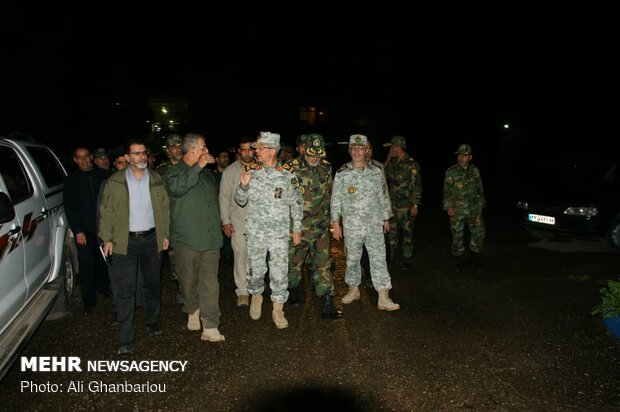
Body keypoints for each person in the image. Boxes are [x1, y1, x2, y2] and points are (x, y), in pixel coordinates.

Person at [98, 139, 170, 355]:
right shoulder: (115, 182)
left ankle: (153, 321)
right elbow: (106, 211)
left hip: (151, 240)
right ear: (127, 158)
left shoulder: (157, 180)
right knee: (125, 290)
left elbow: (165, 209)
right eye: (136, 154)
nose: (141, 157)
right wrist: (107, 238)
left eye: (144, 153)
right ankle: (126, 338)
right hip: (124, 242)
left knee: (152, 284)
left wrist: (165, 234)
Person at [234, 131, 303, 329]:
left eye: (260, 148)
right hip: (256, 232)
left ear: (272, 150)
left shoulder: (288, 176)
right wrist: (243, 186)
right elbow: (240, 200)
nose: (256, 151)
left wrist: (296, 228)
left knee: (279, 272)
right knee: (255, 270)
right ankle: (256, 297)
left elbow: (297, 203)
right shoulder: (251, 173)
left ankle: (278, 309)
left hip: (279, 234)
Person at [165, 133, 225, 342]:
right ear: (192, 150)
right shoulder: (173, 172)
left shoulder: (208, 176)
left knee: (210, 282)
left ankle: (210, 325)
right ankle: (192, 309)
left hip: (209, 239)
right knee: (188, 281)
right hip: (187, 240)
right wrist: (197, 167)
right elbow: (177, 188)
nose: (207, 152)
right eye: (204, 148)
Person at [331, 134, 400, 311]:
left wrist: (386, 218)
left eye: (360, 148)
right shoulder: (342, 174)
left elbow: (383, 195)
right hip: (352, 226)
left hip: (374, 224)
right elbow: (336, 200)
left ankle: (383, 296)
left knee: (378, 259)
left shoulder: (376, 172)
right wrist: (336, 223)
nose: (357, 152)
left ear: (366, 150)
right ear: (349, 150)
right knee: (352, 260)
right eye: (353, 148)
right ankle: (353, 290)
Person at [283, 133, 340, 319]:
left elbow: (330, 195)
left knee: (323, 264)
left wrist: (334, 220)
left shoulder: (326, 168)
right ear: (304, 150)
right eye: (311, 153)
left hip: (320, 227)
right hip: (298, 228)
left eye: (318, 154)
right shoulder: (291, 168)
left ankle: (327, 301)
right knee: (294, 264)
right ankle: (292, 290)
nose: (315, 158)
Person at [64, 147, 110, 315]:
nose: (84, 160)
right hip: (84, 230)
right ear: (75, 160)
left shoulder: (104, 176)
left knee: (104, 260)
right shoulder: (71, 181)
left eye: (86, 156)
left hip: (103, 228)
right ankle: (89, 301)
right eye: (79, 158)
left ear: (91, 157)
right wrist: (78, 231)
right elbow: (70, 208)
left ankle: (104, 287)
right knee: (86, 264)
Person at [219, 137, 255, 307]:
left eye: (250, 149)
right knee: (240, 255)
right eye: (244, 149)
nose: (247, 153)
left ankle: (256, 289)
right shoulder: (230, 171)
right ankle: (242, 292)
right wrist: (226, 221)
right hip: (238, 220)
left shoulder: (262, 168)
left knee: (257, 258)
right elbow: (224, 197)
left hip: (259, 222)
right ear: (239, 151)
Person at [442, 143, 486, 271]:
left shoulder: (475, 170)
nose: (461, 158)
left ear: (470, 157)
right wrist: (449, 207)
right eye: (460, 155)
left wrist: (481, 205)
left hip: (474, 209)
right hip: (458, 210)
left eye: (465, 155)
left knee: (478, 233)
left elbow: (480, 188)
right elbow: (447, 191)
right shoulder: (451, 172)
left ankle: (473, 259)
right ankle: (459, 262)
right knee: (457, 236)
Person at [383, 135, 422, 270]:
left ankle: (407, 259)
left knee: (407, 234)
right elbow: (382, 176)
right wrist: (388, 159)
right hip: (393, 206)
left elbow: (416, 186)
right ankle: (392, 257)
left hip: (407, 206)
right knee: (392, 234)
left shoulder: (412, 164)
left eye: (392, 147)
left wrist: (415, 205)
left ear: (397, 147)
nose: (391, 150)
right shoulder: (392, 163)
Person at [156, 134, 184, 304]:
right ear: (168, 150)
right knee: (174, 258)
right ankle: (181, 287)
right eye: (174, 146)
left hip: (186, 218)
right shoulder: (160, 171)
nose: (177, 149)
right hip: (170, 221)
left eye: (180, 146)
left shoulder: (188, 167)